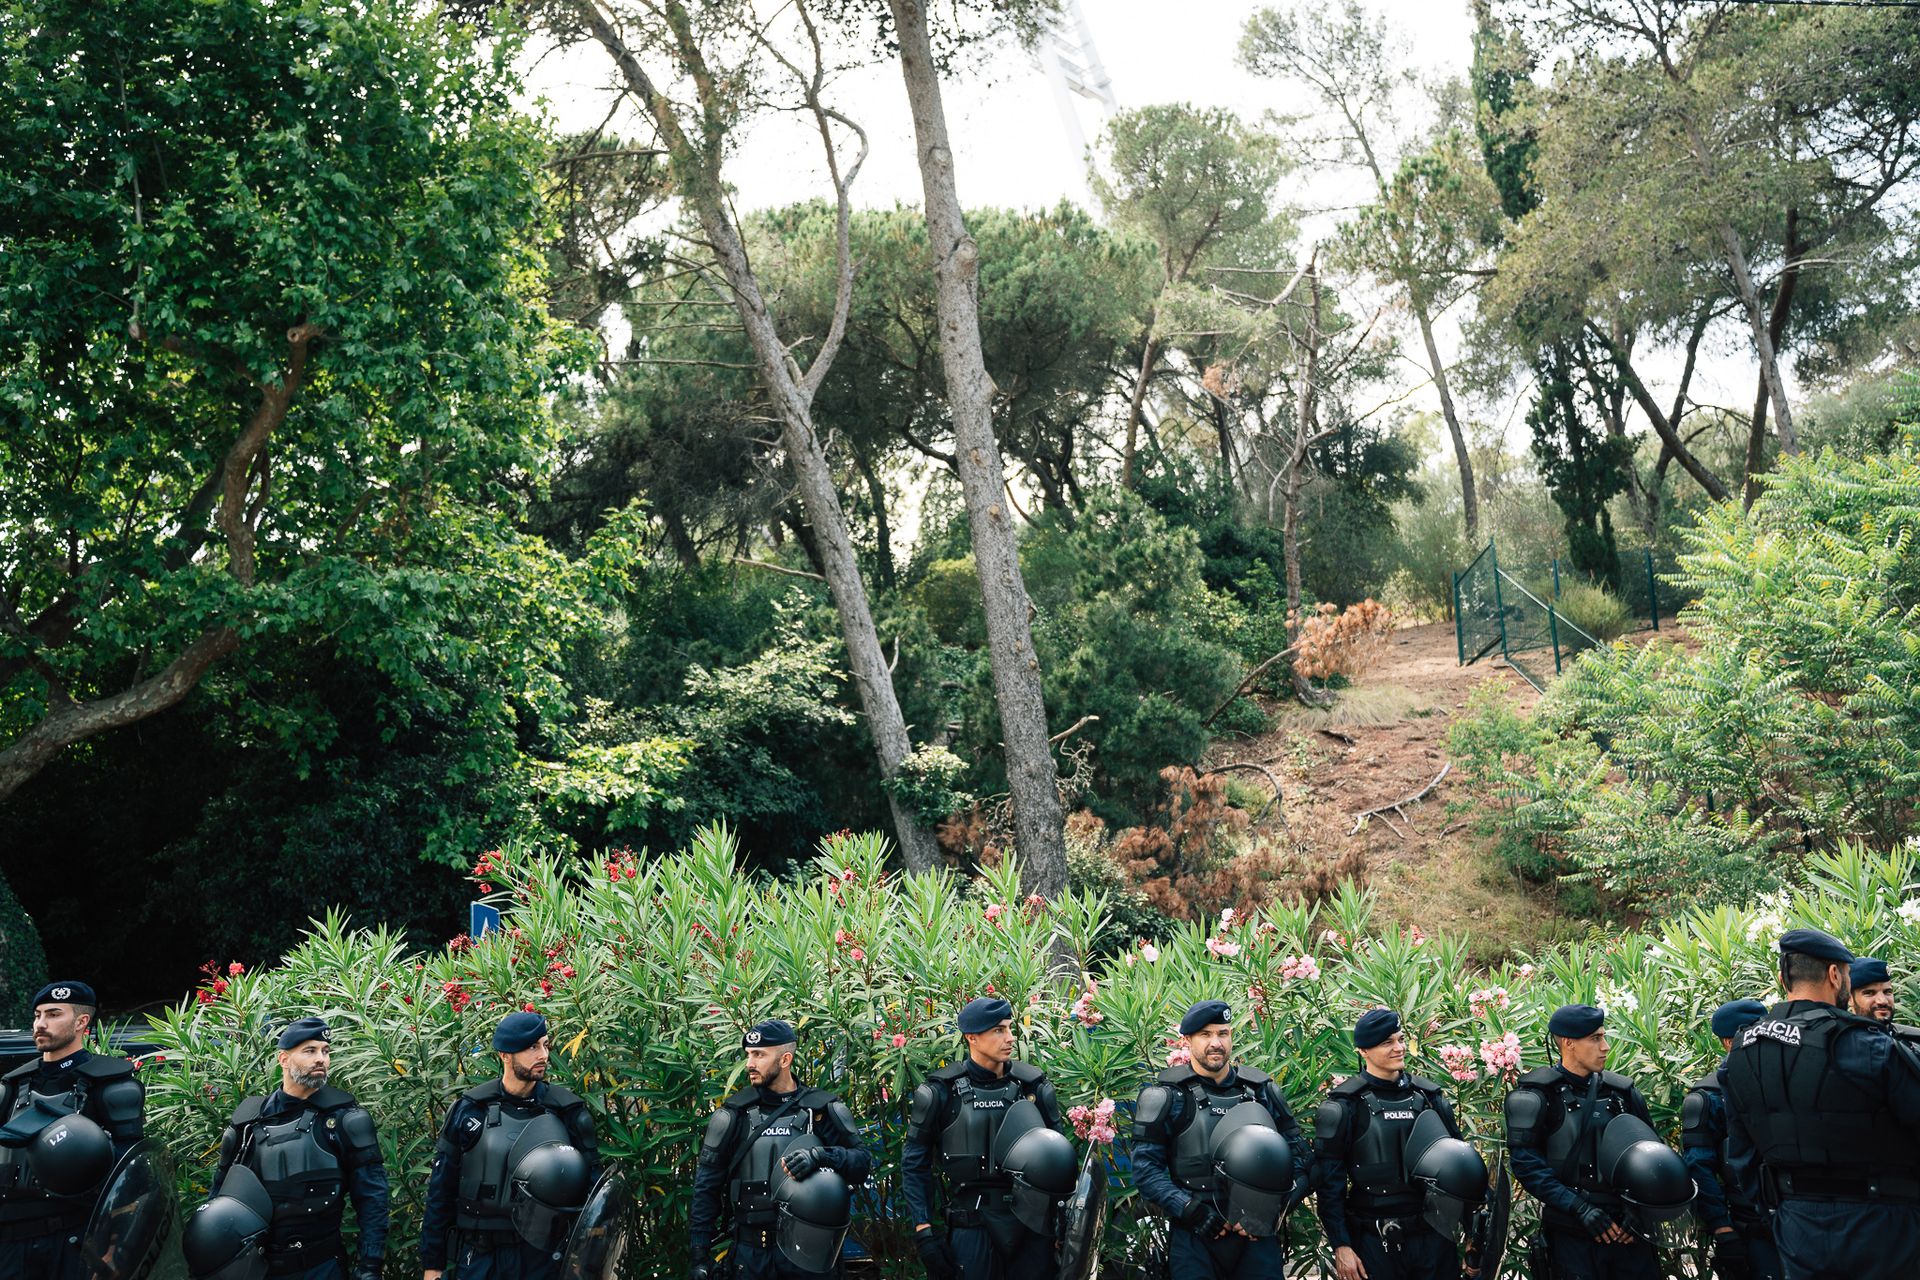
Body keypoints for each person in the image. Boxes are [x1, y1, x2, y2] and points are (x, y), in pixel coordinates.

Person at [1723, 928, 1920, 1279]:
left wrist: (1784, 1215)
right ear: (1834, 975)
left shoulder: (1741, 1054)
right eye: (1847, 974)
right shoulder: (1866, 1045)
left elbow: (1741, 1156)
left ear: (1784, 977)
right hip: (1884, 1227)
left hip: (1798, 1231)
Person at [1130, 999, 1311, 1280]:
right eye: (1206, 1034)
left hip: (1256, 1238)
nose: (1216, 1043)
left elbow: (1302, 1162)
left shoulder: (1262, 1092)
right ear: (1187, 1039)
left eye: (1223, 1033)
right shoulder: (1167, 1097)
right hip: (1194, 1236)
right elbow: (1145, 1170)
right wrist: (1189, 1210)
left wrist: (1270, 1212)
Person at [420, 1012, 599, 1280]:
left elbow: (593, 1192)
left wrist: (587, 1259)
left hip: (541, 1257)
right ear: (505, 1055)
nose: (543, 1055)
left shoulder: (567, 1111)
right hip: (480, 1256)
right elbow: (441, 1190)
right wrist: (432, 1265)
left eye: (545, 1045)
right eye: (532, 1047)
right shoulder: (470, 1110)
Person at [688, 1019, 871, 1280]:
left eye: (759, 1055)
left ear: (785, 1059)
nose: (750, 1063)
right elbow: (706, 1188)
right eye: (749, 1055)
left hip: (810, 1256)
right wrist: (699, 1256)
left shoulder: (820, 1110)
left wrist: (820, 1156)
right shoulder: (733, 1115)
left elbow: (862, 1164)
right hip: (751, 1256)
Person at [208, 1018, 389, 1280]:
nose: (321, 1059)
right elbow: (218, 1199)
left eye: (325, 1051)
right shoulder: (248, 1123)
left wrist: (370, 1266)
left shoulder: (344, 1120)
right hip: (259, 1269)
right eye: (310, 1051)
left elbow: (373, 1199)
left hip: (322, 1268)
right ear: (283, 1059)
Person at [903, 996, 1065, 1280]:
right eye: (999, 1030)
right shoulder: (940, 1092)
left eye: (1010, 1028)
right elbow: (915, 1165)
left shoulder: (1034, 1087)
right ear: (972, 1038)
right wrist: (923, 1231)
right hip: (972, 1228)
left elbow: (1060, 1163)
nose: (1010, 1038)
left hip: (1032, 1229)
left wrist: (1064, 1223)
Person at [1314, 1010, 1476, 1280]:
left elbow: (1460, 1170)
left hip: (1433, 1237)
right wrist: (1341, 1245)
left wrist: (1473, 1234)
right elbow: (1329, 1184)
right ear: (1363, 1050)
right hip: (1374, 1241)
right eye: (1387, 1042)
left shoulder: (1429, 1098)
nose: (1399, 1048)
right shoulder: (1345, 1106)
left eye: (1400, 1039)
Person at [0, 980, 144, 1280]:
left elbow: (130, 1176)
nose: (41, 1023)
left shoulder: (111, 1086)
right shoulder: (11, 1087)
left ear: (81, 1022)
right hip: (10, 1243)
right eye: (38, 1015)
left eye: (53, 1015)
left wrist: (115, 1250)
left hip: (73, 1240)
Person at [1503, 1004, 1660, 1280]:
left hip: (1629, 1234)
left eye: (1604, 1036)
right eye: (1595, 1038)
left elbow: (1652, 1154)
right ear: (1568, 1043)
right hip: (1572, 1236)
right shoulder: (1537, 1096)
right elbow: (1527, 1165)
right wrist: (1579, 1208)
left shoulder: (1622, 1092)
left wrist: (1637, 1212)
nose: (1606, 1046)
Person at [1680, 1001, 1778, 1280]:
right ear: (1727, 1041)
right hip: (1751, 1224)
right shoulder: (1708, 1096)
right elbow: (1699, 1166)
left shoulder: (1784, 1078)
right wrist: (1722, 1228)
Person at [1847, 957, 1920, 1048]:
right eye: (1869, 993)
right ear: (1850, 998)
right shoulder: (1841, 1046)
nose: (1883, 1001)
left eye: (1887, 992)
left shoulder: (1911, 1041)